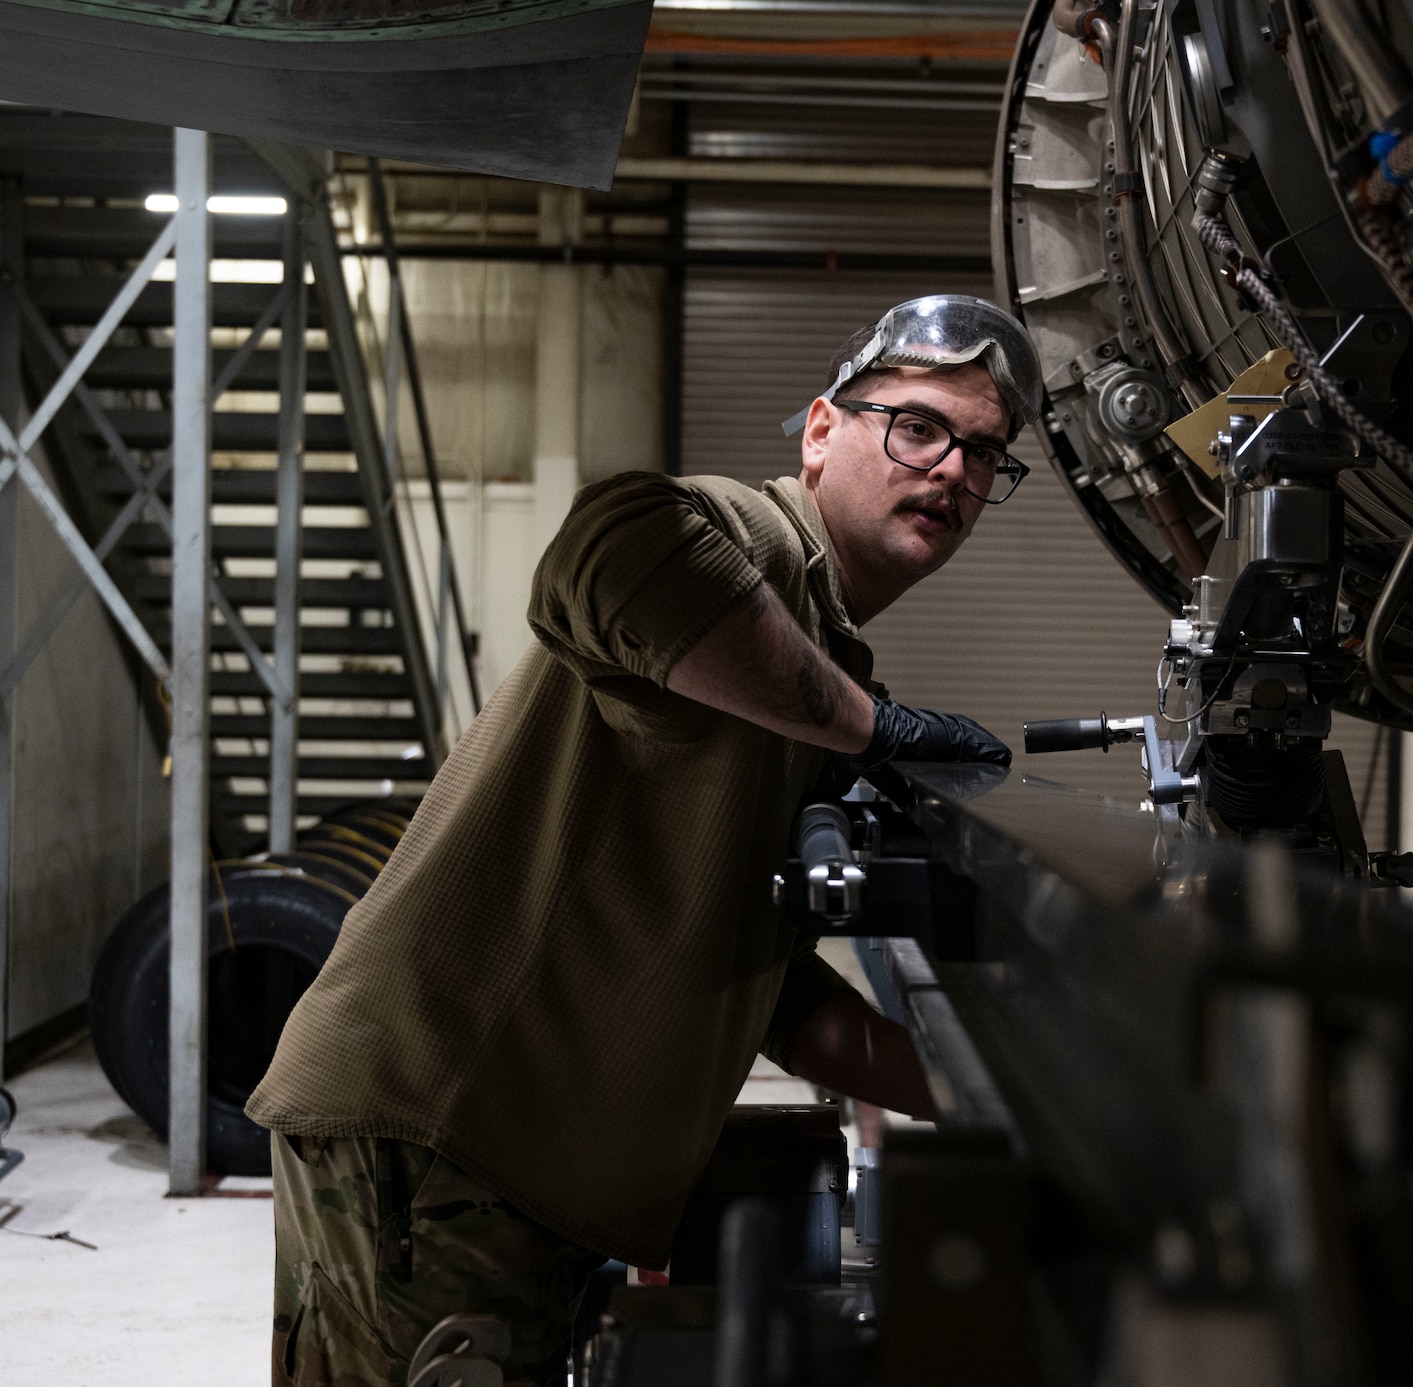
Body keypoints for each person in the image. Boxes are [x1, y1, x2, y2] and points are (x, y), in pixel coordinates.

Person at [247, 296, 1040, 1386]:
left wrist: (993, 1095)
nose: (953, 470)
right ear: (821, 432)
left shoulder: (813, 660)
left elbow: (762, 989)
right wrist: (876, 730)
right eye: (918, 427)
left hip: (519, 1167)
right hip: (440, 1135)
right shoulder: (759, 542)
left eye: (986, 454)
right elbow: (608, 547)